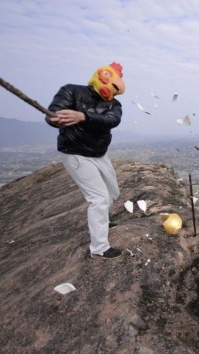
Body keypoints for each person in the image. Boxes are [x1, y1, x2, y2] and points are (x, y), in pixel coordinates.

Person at [45, 62, 126, 259]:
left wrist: (83, 116)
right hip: (75, 152)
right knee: (98, 199)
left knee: (112, 192)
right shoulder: (71, 91)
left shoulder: (114, 105)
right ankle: (100, 248)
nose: (114, 96)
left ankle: (102, 222)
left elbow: (112, 120)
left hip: (98, 153)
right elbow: (53, 114)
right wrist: (56, 118)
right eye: (114, 91)